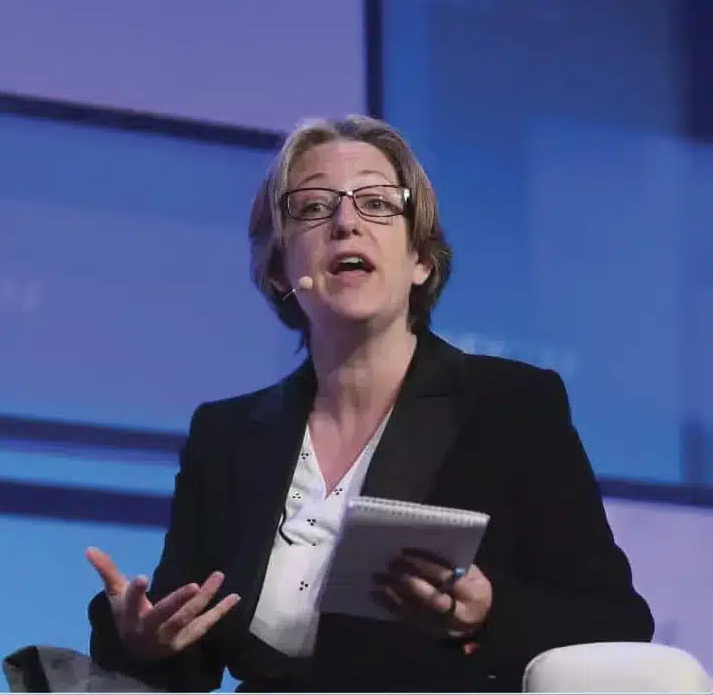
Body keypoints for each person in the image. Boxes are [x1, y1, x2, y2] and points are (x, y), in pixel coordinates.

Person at [85, 115, 653, 692]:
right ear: (280, 268)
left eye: (377, 203)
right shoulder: (226, 435)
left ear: (421, 259)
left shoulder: (510, 408)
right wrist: (142, 641)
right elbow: (189, 649)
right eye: (313, 207)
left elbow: (616, 620)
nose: (346, 222)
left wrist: (486, 615)